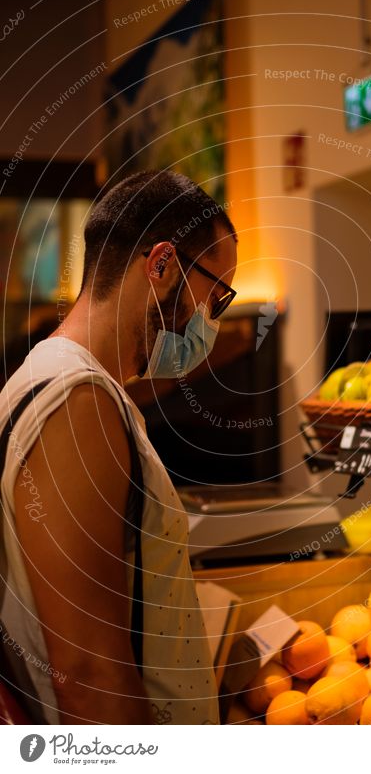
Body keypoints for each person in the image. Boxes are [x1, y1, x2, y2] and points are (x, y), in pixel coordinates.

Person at [0, 170, 238, 725]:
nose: (211, 322)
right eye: (216, 295)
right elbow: (87, 669)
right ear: (160, 266)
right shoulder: (75, 397)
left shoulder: (67, 383)